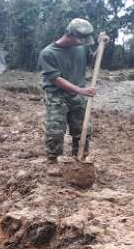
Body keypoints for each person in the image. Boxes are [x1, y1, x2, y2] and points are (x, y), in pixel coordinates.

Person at [38, 18, 109, 164]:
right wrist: (81, 90)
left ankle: (80, 158)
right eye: (80, 40)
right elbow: (56, 79)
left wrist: (102, 46)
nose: (82, 43)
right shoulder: (48, 53)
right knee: (55, 131)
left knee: (82, 129)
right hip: (57, 96)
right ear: (69, 35)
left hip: (78, 95)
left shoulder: (81, 47)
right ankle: (53, 161)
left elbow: (92, 60)